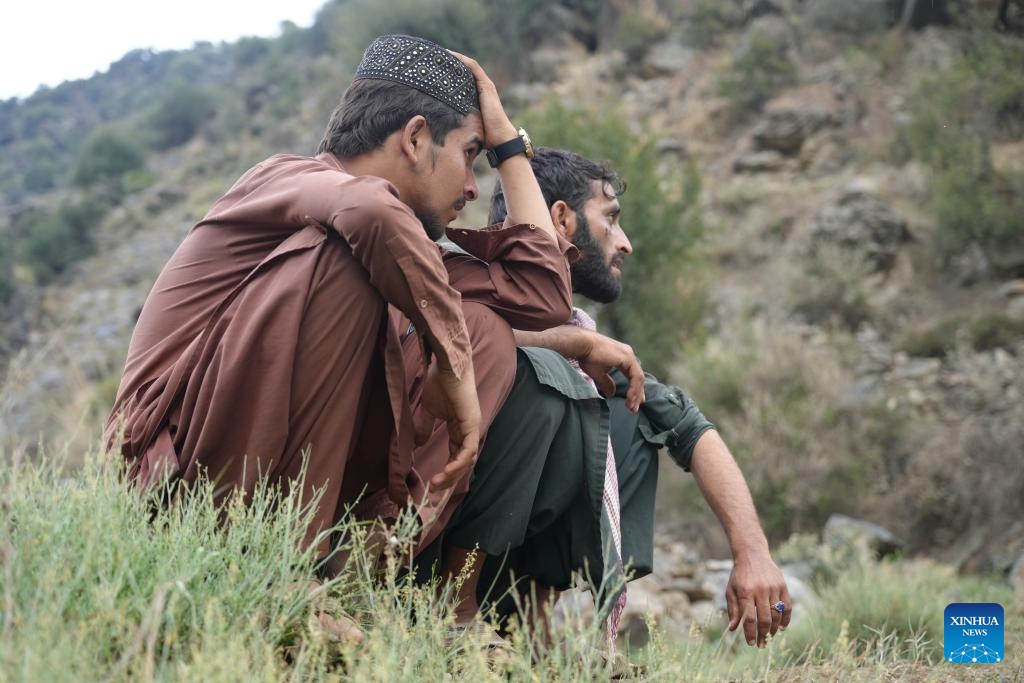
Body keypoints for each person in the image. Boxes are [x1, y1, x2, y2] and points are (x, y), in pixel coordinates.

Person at [104, 35, 575, 585]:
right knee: (348, 259)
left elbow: (543, 293)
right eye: (471, 156)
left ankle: (362, 568)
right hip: (177, 484)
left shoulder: (407, 247)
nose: (474, 186)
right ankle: (274, 571)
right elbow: (369, 212)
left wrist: (508, 148)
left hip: (297, 496)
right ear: (417, 139)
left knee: (485, 329)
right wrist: (454, 367)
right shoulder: (287, 179)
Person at [417, 147, 792, 650]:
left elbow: (690, 429)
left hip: (505, 584)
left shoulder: (582, 341)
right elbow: (451, 340)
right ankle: (452, 617)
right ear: (561, 218)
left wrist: (753, 554)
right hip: (412, 556)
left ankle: (534, 630)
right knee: (546, 379)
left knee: (623, 409)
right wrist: (560, 346)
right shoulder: (455, 278)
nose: (625, 243)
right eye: (611, 220)